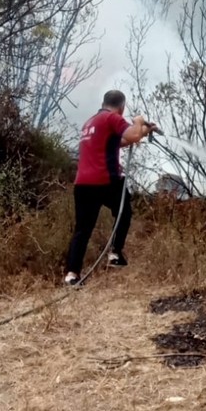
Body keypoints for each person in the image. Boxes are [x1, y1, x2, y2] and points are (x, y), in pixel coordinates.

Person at [63, 91, 155, 285]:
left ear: (103, 102)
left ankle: (71, 275)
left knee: (82, 230)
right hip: (105, 180)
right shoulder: (112, 118)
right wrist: (139, 121)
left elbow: (117, 142)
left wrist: (145, 131)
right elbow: (134, 135)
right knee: (124, 212)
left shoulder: (90, 122)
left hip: (82, 184)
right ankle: (114, 254)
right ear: (121, 107)